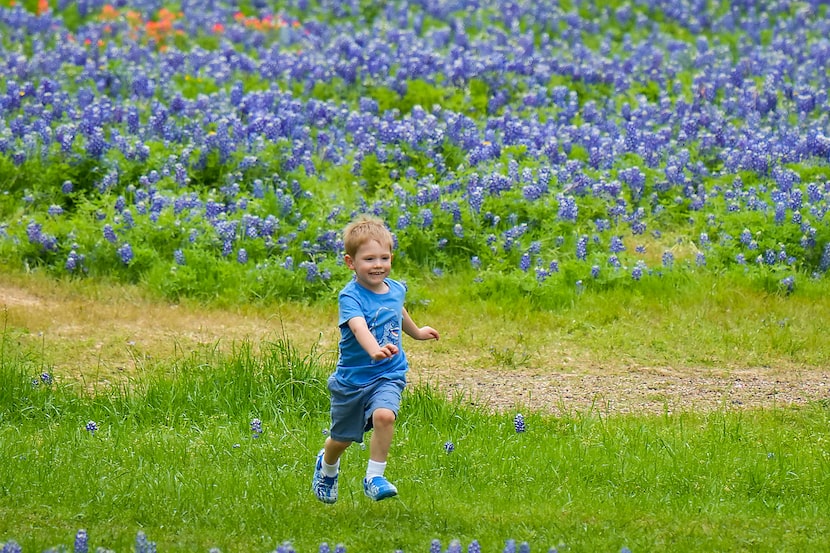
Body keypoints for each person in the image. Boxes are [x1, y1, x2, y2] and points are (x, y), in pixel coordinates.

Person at [312, 215, 440, 503]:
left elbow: (398, 311)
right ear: (350, 263)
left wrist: (417, 332)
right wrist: (373, 349)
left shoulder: (395, 288)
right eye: (369, 259)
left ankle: (374, 476)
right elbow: (358, 326)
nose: (378, 265)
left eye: (384, 257)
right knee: (342, 438)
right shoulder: (350, 296)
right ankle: (327, 465)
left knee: (385, 415)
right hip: (353, 379)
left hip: (388, 373)